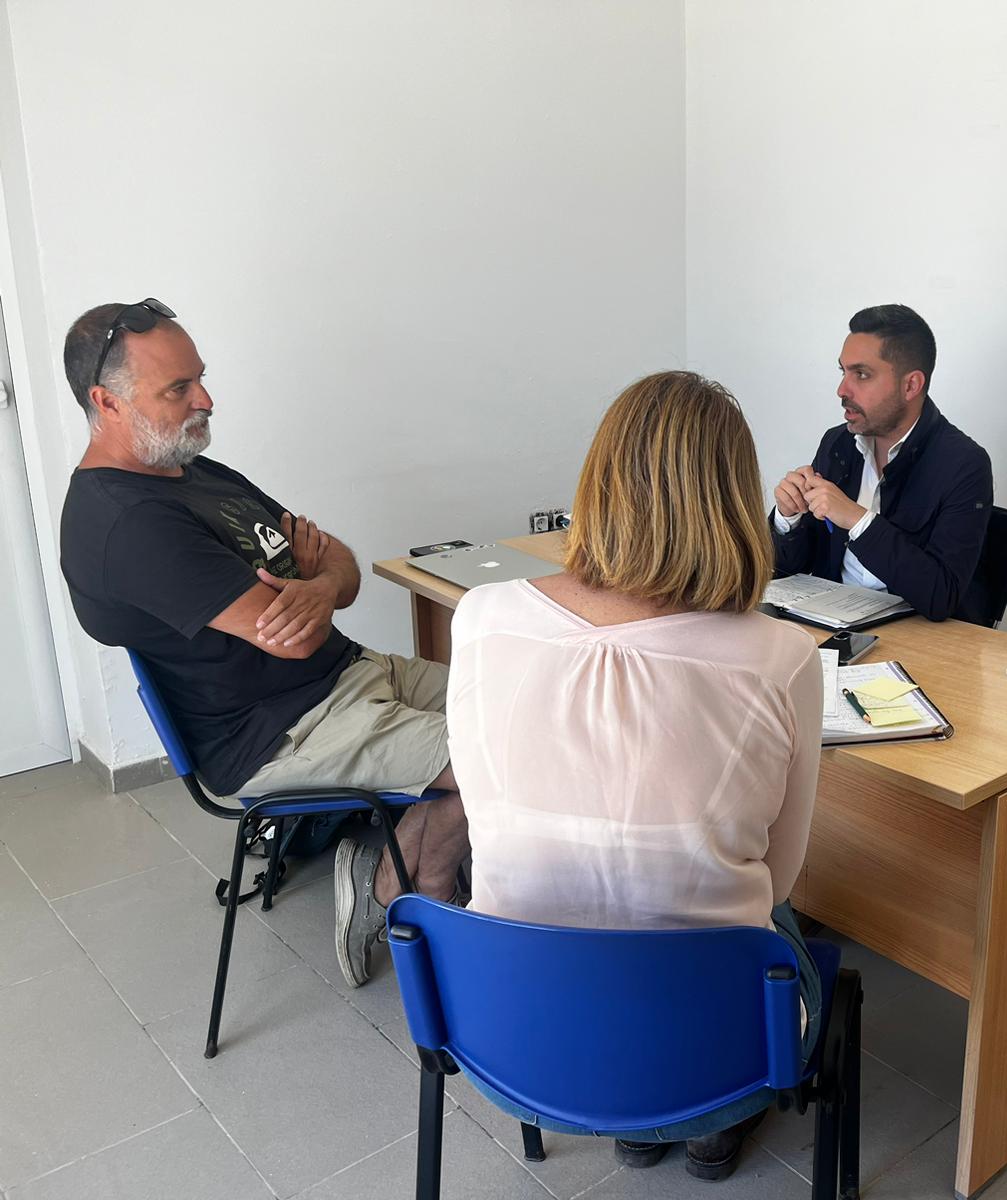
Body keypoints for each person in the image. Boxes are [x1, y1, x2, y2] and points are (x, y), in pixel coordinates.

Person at [447, 370, 823, 1182]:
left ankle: (637, 1119)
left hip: (517, 1027)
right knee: (781, 920)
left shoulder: (479, 618)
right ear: (733, 502)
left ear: (598, 483)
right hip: (716, 1042)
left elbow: (481, 810)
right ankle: (706, 1121)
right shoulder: (783, 658)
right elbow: (781, 878)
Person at [57, 299, 469, 990]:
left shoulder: (195, 472)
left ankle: (398, 876)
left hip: (349, 674)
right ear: (108, 402)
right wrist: (314, 587)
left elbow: (340, 566)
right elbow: (293, 636)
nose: (205, 399)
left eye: (200, 377)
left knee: (529, 706)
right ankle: (407, 896)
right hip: (283, 730)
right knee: (510, 757)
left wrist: (319, 583)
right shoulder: (128, 524)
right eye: (179, 388)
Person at [771, 304, 993, 621]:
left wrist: (857, 520)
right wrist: (788, 517)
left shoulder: (963, 464)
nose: (842, 390)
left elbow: (941, 596)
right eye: (843, 372)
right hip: (831, 628)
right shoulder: (838, 443)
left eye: (861, 374)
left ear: (911, 385)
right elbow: (788, 572)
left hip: (916, 639)